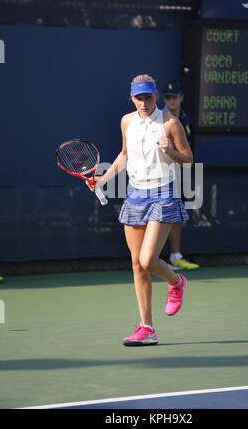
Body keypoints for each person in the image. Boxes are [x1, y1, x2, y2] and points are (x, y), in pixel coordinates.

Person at [86, 74, 192, 346]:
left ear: (155, 96)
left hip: (163, 194)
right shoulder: (127, 121)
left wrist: (170, 152)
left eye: (148, 97)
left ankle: (176, 281)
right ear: (131, 99)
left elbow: (188, 160)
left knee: (147, 260)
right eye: (139, 98)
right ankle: (147, 329)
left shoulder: (170, 123)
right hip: (135, 196)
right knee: (137, 265)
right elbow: (124, 155)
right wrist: (102, 179)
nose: (144, 102)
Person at [162, 82, 200, 271]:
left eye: (174, 97)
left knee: (175, 215)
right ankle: (147, 260)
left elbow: (188, 151)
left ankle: (175, 257)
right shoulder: (157, 120)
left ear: (181, 98)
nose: (171, 100)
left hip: (179, 174)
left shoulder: (187, 121)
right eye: (167, 97)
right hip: (157, 177)